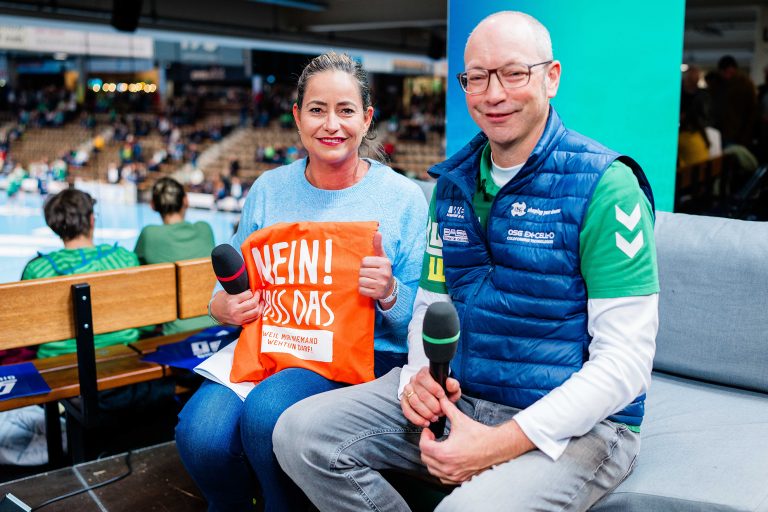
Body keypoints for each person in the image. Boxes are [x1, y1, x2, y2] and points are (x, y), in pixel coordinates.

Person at [274, 11, 659, 512]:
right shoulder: (452, 185)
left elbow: (626, 364)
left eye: (514, 73)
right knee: (299, 433)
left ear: (551, 77)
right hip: (465, 397)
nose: (493, 94)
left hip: (581, 426)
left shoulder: (608, 188)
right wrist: (419, 379)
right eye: (477, 77)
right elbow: (430, 306)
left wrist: (497, 444)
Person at [174, 52, 428, 512]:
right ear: (297, 117)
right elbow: (231, 279)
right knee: (201, 435)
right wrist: (222, 307)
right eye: (316, 109)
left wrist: (390, 292)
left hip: (360, 358)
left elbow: (419, 319)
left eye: (346, 110)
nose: (331, 124)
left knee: (267, 414)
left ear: (367, 119)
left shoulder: (404, 199)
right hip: (271, 347)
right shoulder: (268, 189)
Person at [21, 188, 140, 358]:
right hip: (123, 352)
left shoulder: (38, 270)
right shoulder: (124, 259)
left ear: (54, 226)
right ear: (91, 220)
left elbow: (28, 331)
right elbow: (146, 322)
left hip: (57, 359)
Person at [134, 177, 216, 334]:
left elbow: (136, 271)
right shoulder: (205, 229)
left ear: (153, 205)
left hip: (175, 332)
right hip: (215, 323)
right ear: (186, 201)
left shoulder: (149, 235)